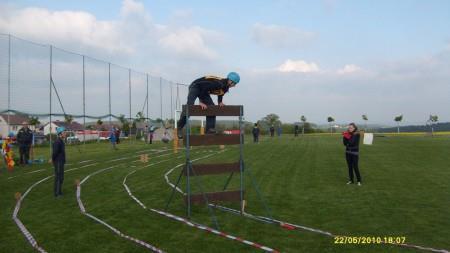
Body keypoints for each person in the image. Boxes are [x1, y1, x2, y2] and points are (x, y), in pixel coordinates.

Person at [177, 72, 240, 139]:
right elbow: (204, 88)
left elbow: (220, 93)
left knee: (212, 109)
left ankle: (209, 130)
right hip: (195, 86)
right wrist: (201, 101)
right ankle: (179, 128)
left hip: (204, 91)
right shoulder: (219, 83)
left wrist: (220, 102)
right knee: (190, 107)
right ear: (230, 81)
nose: (234, 85)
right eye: (234, 83)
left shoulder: (225, 87)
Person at [52, 127, 66, 197]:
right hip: (58, 162)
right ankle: (57, 193)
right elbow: (54, 153)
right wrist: (53, 160)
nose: (65, 134)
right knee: (58, 177)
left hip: (61, 162)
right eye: (64, 132)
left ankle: (59, 191)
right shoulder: (57, 142)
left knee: (61, 177)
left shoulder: (61, 141)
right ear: (60, 134)